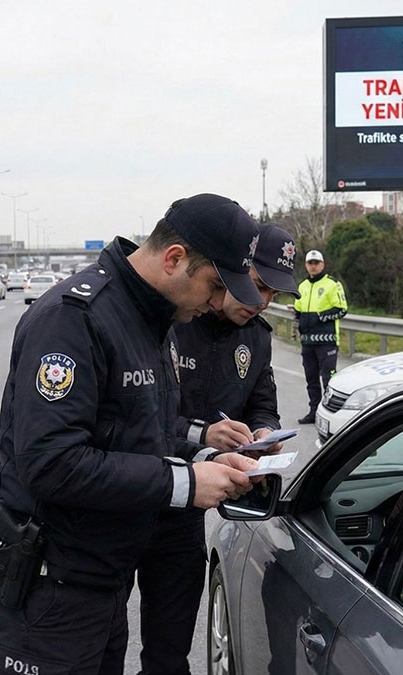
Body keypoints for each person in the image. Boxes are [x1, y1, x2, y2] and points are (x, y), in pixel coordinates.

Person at [0, 193, 267, 675]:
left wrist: (205, 459)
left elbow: (145, 432)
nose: (216, 303)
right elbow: (51, 463)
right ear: (174, 259)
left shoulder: (151, 320)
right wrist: (185, 484)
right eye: (214, 285)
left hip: (99, 580)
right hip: (49, 587)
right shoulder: (75, 318)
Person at [132, 223, 301, 675]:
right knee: (95, 643)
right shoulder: (172, 320)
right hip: (129, 493)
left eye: (273, 295)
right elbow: (136, 418)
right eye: (258, 287)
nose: (262, 302)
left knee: (169, 652)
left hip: (187, 512)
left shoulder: (258, 338)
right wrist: (202, 435)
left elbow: (265, 405)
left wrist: (261, 438)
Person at [292, 249, 348, 424]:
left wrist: (319, 317)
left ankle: (330, 413)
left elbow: (341, 309)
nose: (313, 266)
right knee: (311, 379)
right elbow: (298, 311)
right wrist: (300, 324)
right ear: (306, 265)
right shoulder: (302, 286)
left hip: (327, 342)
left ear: (322, 264)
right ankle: (314, 411)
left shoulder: (332, 284)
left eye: (316, 263)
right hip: (307, 342)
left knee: (328, 378)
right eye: (310, 263)